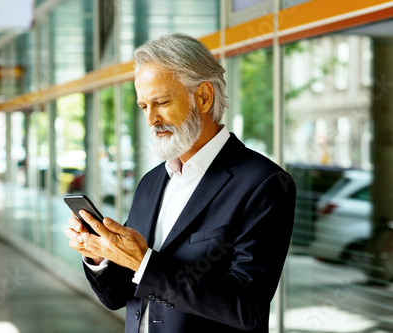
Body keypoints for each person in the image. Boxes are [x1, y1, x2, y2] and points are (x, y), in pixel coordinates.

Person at [65, 33, 296, 333]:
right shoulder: (151, 182)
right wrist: (99, 254)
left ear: (204, 96)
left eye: (160, 102)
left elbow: (246, 306)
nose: (151, 119)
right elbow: (117, 297)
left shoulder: (265, 184)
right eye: (143, 106)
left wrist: (146, 263)